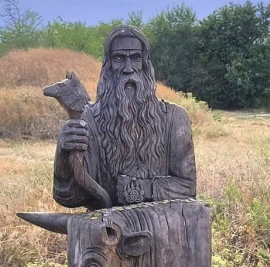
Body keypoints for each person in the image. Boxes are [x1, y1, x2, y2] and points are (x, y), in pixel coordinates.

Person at [54, 25, 196, 209]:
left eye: (135, 58)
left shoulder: (174, 118)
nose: (128, 69)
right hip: (105, 232)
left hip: (162, 229)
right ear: (108, 65)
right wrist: (64, 155)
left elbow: (188, 186)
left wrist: (143, 189)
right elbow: (72, 197)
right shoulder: (91, 119)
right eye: (119, 58)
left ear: (145, 65)